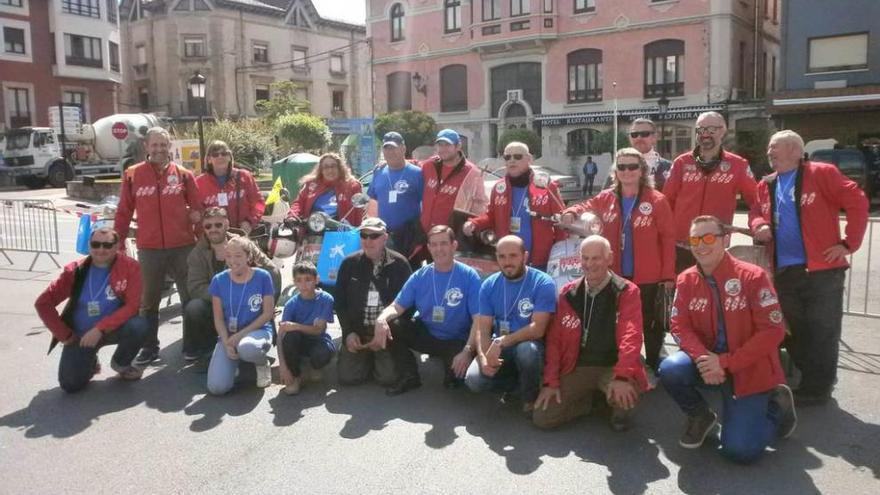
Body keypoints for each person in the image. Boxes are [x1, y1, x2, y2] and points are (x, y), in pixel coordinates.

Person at [660, 215, 797, 463]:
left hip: (748, 366)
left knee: (739, 451)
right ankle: (700, 415)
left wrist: (724, 363)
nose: (701, 245)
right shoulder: (686, 279)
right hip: (709, 361)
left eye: (709, 237)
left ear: (723, 240)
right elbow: (679, 325)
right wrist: (703, 357)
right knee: (670, 369)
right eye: (694, 239)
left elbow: (773, 331)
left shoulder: (753, 276)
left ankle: (777, 408)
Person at [751, 130, 869, 405]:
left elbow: (858, 202)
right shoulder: (766, 183)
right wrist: (760, 225)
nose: (769, 153)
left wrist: (848, 243)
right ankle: (813, 377)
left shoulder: (821, 173)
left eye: (774, 148)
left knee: (823, 330)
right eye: (769, 148)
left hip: (822, 271)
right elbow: (756, 211)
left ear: (794, 150)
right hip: (784, 272)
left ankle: (818, 388)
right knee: (790, 328)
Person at [562, 148, 675, 373]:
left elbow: (668, 240)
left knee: (649, 324)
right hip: (616, 274)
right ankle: (619, 364)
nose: (627, 171)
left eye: (632, 166)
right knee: (618, 322)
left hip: (648, 275)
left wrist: (668, 276)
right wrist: (572, 211)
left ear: (642, 170)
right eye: (621, 167)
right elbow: (586, 205)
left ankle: (653, 364)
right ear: (616, 170)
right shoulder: (607, 198)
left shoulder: (657, 200)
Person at [532, 235, 647, 431]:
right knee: (543, 418)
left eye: (596, 258)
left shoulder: (627, 291)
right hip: (578, 367)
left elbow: (632, 336)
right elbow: (554, 341)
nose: (589, 264)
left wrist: (622, 377)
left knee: (623, 403)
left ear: (609, 258)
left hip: (612, 366)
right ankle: (592, 402)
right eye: (585, 258)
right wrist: (550, 381)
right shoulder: (568, 293)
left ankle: (610, 395)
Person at [114, 126, 202, 366]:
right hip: (149, 248)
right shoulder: (132, 174)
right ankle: (149, 347)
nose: (159, 149)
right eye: (155, 145)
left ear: (169, 146)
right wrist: (118, 241)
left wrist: (199, 235)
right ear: (146, 147)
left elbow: (198, 210)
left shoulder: (184, 174)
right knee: (148, 301)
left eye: (163, 145)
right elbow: (123, 211)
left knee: (189, 299)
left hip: (182, 246)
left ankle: (191, 345)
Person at [35, 227, 148, 392]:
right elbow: (43, 303)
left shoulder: (131, 267)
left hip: (112, 329)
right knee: (70, 385)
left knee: (140, 325)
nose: (101, 249)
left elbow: (133, 306)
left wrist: (99, 329)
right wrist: (65, 335)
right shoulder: (74, 271)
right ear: (89, 246)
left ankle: (121, 364)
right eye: (96, 244)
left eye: (107, 245)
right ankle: (90, 362)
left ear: (117, 247)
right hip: (81, 336)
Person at [376, 225, 482, 396]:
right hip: (428, 334)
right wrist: (381, 319)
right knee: (392, 324)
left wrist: (467, 351)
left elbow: (479, 319)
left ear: (454, 246)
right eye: (434, 244)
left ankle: (452, 368)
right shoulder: (420, 276)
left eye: (443, 244)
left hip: (456, 339)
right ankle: (409, 375)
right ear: (429, 248)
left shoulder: (469, 276)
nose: (439, 249)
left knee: (456, 383)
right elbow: (397, 306)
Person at [662, 112, 763, 273]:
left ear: (723, 131)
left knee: (714, 292)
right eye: (700, 130)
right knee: (684, 292)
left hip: (714, 244)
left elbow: (757, 201)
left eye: (711, 129)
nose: (705, 134)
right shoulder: (682, 162)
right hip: (681, 244)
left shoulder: (738, 165)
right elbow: (666, 202)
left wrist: (759, 225)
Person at [465, 236, 557, 412]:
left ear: (525, 256)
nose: (507, 262)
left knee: (527, 352)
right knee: (474, 380)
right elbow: (482, 329)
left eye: (513, 256)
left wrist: (502, 341)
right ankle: (516, 386)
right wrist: (484, 358)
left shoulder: (543, 282)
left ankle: (530, 398)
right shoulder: (489, 285)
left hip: (530, 344)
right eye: (502, 256)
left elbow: (538, 329)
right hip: (501, 347)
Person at [183, 207, 281, 362]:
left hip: (249, 301)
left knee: (273, 275)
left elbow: (271, 270)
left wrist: (268, 300)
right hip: (217, 304)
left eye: (218, 225)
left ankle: (259, 344)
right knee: (194, 307)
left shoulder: (243, 244)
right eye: (208, 226)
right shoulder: (197, 254)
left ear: (227, 224)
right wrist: (225, 297)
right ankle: (206, 349)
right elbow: (195, 287)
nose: (213, 229)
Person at [463, 141, 565, 271]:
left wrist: (560, 253)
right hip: (509, 261)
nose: (512, 160)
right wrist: (474, 223)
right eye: (507, 157)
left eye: (517, 156)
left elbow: (561, 221)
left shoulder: (546, 186)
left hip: (541, 261)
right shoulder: (499, 187)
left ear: (529, 159)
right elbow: (491, 216)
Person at [335, 217, 412, 387]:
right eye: (364, 235)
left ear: (385, 237)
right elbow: (339, 302)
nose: (368, 240)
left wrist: (390, 330)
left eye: (374, 236)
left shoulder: (400, 264)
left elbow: (410, 305)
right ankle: (366, 358)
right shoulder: (349, 263)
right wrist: (348, 332)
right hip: (358, 331)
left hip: (386, 332)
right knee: (348, 378)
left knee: (388, 379)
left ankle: (379, 358)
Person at [206, 236, 276, 395]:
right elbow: (218, 318)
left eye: (238, 255)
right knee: (217, 388)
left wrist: (239, 337)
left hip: (257, 331)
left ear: (248, 256)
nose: (232, 260)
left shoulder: (263, 276)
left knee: (247, 348)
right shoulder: (218, 280)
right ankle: (234, 364)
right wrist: (226, 341)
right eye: (229, 255)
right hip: (229, 335)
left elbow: (267, 314)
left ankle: (261, 363)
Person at [416, 129, 488, 263]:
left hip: (450, 241)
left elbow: (481, 206)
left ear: (458, 146)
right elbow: (414, 165)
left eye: (447, 145)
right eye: (440, 145)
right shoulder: (429, 165)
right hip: (427, 237)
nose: (443, 149)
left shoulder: (471, 173)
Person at [277, 262, 336, 395]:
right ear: (294, 282)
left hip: (318, 340)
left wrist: (296, 326)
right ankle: (296, 375)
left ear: (317, 280)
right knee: (290, 336)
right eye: (299, 280)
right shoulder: (290, 305)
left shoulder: (326, 299)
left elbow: (318, 330)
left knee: (322, 355)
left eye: (308, 280)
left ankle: (313, 366)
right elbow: (280, 336)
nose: (303, 285)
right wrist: (283, 366)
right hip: (299, 342)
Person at [366, 132, 424, 259]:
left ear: (403, 149)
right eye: (387, 148)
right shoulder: (378, 171)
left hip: (408, 238)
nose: (390, 152)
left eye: (394, 148)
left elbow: (426, 204)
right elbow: (372, 201)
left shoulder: (417, 173)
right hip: (383, 236)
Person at [195, 140, 265, 233]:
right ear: (209, 160)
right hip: (213, 238)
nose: (220, 157)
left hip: (243, 234)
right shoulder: (199, 183)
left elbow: (258, 203)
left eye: (224, 153)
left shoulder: (244, 176)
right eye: (215, 155)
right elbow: (196, 212)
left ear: (229, 157)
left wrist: (250, 222)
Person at [288, 152, 364, 226]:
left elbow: (358, 212)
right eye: (326, 167)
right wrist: (292, 216)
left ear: (340, 168)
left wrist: (358, 234)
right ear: (321, 170)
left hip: (342, 234)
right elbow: (298, 203)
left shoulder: (352, 185)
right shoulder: (311, 184)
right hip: (312, 232)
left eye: (333, 166)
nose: (330, 170)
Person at [628, 117, 672, 191]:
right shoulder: (620, 167)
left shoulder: (669, 167)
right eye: (634, 134)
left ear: (654, 137)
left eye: (644, 134)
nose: (639, 138)